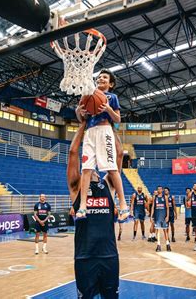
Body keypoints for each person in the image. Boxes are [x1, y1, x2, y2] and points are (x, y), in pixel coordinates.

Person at [67, 122, 119, 299]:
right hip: (84, 257)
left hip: (109, 255)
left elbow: (118, 155)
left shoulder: (108, 185)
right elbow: (73, 153)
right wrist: (83, 124)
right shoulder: (76, 189)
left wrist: (109, 127)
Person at [75, 69, 128, 221]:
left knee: (112, 168)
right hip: (90, 132)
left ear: (111, 84)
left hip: (105, 131)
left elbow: (117, 119)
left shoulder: (112, 97)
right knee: (86, 169)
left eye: (105, 77)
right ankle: (83, 206)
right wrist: (79, 110)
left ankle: (123, 205)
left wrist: (108, 109)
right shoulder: (88, 95)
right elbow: (81, 118)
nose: (101, 78)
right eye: (99, 77)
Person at [151, 186, 171, 252]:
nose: (159, 190)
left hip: (164, 216)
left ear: (162, 190)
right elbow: (153, 207)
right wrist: (151, 216)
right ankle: (158, 245)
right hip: (157, 216)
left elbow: (168, 208)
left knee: (165, 231)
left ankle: (167, 244)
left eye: (160, 189)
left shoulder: (165, 197)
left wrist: (167, 216)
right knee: (158, 230)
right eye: (158, 189)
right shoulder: (155, 197)